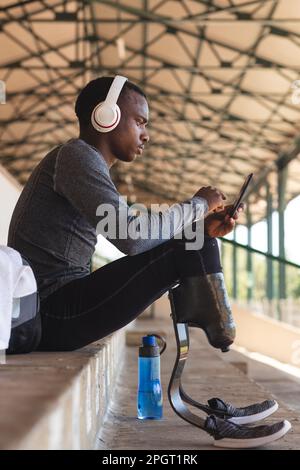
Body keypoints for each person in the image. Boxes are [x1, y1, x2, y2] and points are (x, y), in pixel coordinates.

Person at [8, 75, 291, 448]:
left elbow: (134, 232)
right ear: (106, 116)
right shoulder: (76, 157)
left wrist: (198, 224)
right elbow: (132, 237)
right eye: (140, 121)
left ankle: (212, 351)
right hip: (51, 312)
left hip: (58, 308)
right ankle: (218, 327)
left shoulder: (82, 164)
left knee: (193, 239)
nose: (146, 134)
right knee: (188, 243)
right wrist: (196, 206)